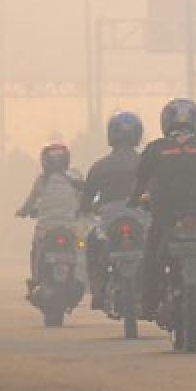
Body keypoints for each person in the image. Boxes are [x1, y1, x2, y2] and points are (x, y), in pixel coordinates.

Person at [132, 99, 196, 314]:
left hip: (165, 214)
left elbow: (140, 181)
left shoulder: (155, 149)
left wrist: (135, 199)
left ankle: (147, 301)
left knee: (151, 254)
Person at [81, 111, 145, 310]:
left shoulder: (99, 167)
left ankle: (97, 289)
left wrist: (86, 209)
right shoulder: (147, 164)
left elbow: (86, 199)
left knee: (92, 244)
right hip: (143, 217)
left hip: (109, 219)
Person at [16, 145, 84, 292]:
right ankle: (80, 277)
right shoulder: (74, 179)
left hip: (46, 228)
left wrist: (22, 212)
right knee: (80, 247)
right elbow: (84, 200)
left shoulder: (42, 180)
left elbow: (30, 201)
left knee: (35, 250)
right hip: (70, 228)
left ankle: (35, 279)